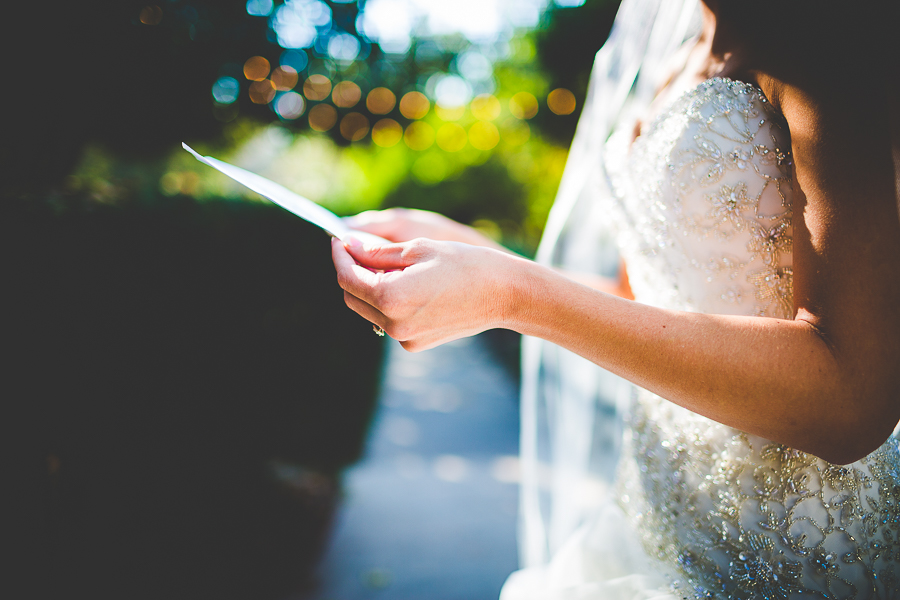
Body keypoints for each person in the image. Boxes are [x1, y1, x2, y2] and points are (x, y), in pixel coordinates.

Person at [332, 0, 900, 597]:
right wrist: (481, 256)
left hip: (800, 549)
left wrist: (513, 294)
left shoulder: (822, 39)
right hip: (655, 519)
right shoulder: (674, 58)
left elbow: (853, 400)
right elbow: (645, 301)